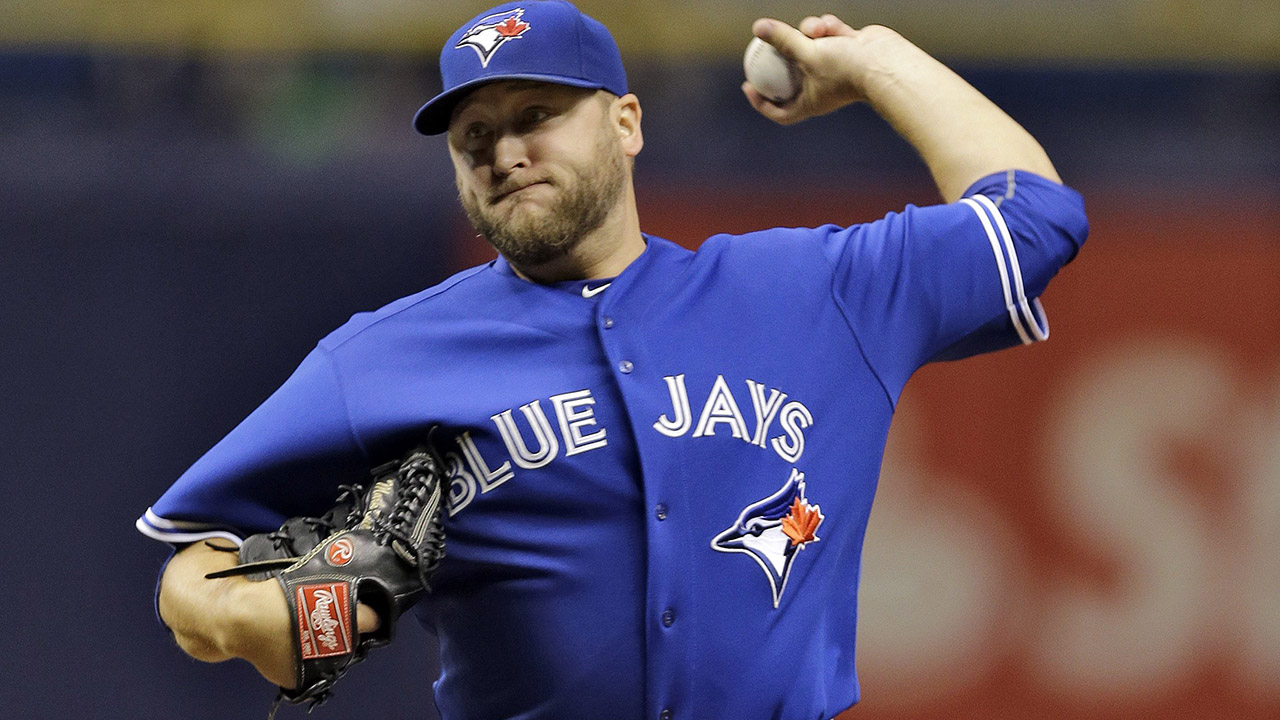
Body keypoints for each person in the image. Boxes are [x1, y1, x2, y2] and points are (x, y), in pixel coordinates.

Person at [137, 2, 1088, 719]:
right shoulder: (383, 358)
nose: (505, 150)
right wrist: (257, 621)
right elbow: (191, 561)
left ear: (627, 124)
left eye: (537, 114)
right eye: (475, 138)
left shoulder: (811, 292)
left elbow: (1034, 218)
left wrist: (878, 60)